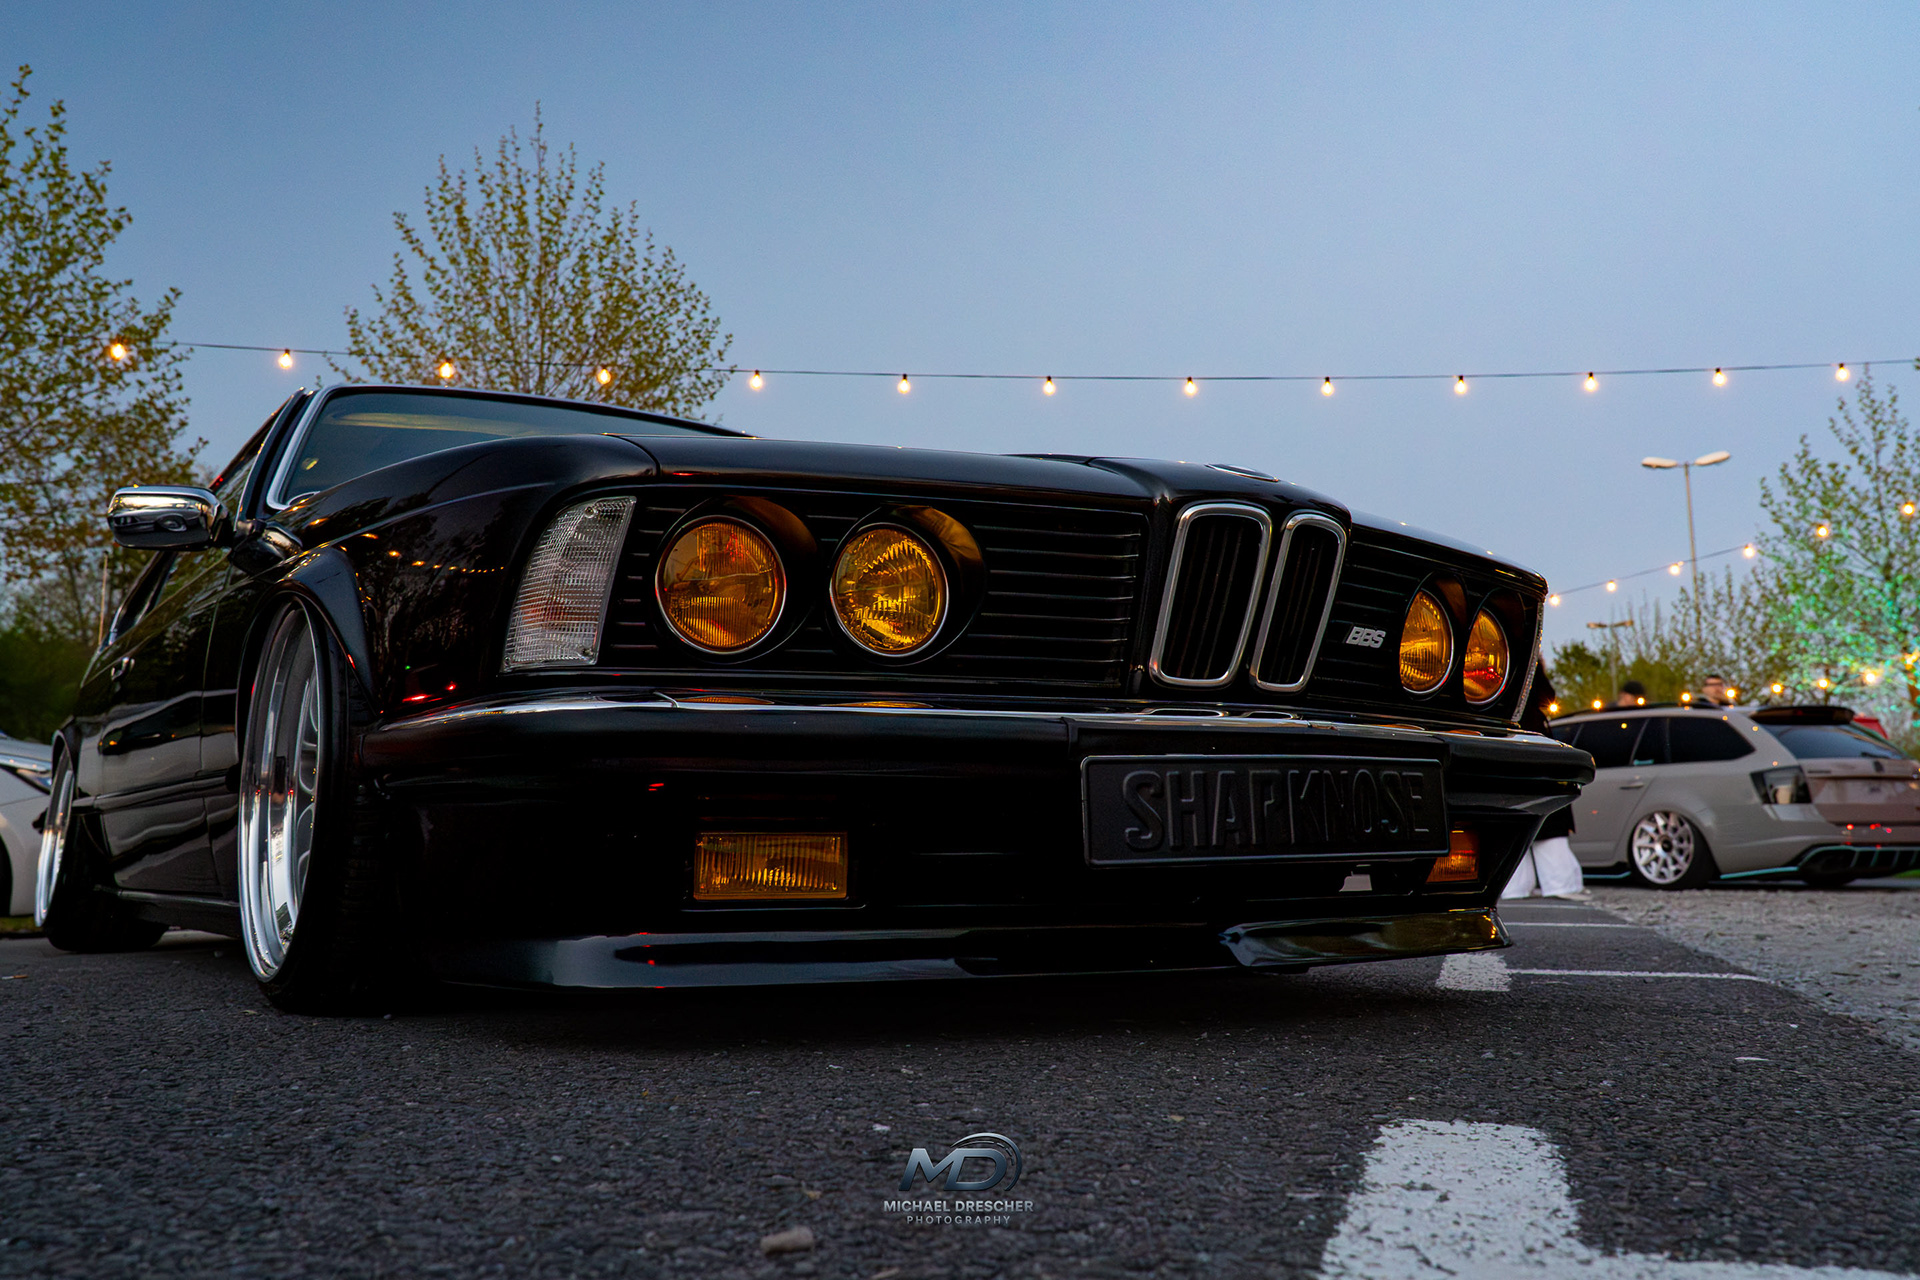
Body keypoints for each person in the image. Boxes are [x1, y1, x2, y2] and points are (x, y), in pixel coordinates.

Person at [1506, 671, 1588, 900]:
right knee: (1548, 832)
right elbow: (1546, 696)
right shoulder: (1531, 716)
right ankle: (1560, 886)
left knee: (1513, 834)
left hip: (1513, 773)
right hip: (1536, 772)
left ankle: (1516, 889)